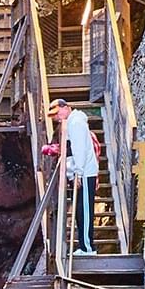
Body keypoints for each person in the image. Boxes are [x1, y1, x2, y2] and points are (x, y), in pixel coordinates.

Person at [43, 98, 100, 253]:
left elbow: (79, 150)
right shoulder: (69, 124)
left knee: (85, 211)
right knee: (79, 211)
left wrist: (79, 173)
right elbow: (69, 150)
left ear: (66, 107)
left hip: (85, 173)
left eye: (57, 113)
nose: (56, 117)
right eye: (54, 116)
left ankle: (88, 248)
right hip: (78, 173)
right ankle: (83, 246)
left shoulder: (76, 122)